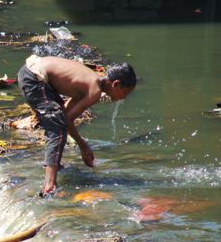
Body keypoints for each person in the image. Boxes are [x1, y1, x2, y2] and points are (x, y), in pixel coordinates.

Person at [17, 54, 136, 198]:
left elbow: (65, 113)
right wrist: (83, 145)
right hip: (35, 78)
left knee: (57, 120)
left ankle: (54, 166)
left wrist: (81, 144)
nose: (124, 98)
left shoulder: (92, 81)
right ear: (115, 84)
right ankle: (49, 185)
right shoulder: (95, 91)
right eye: (125, 92)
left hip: (34, 74)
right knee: (57, 129)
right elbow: (66, 120)